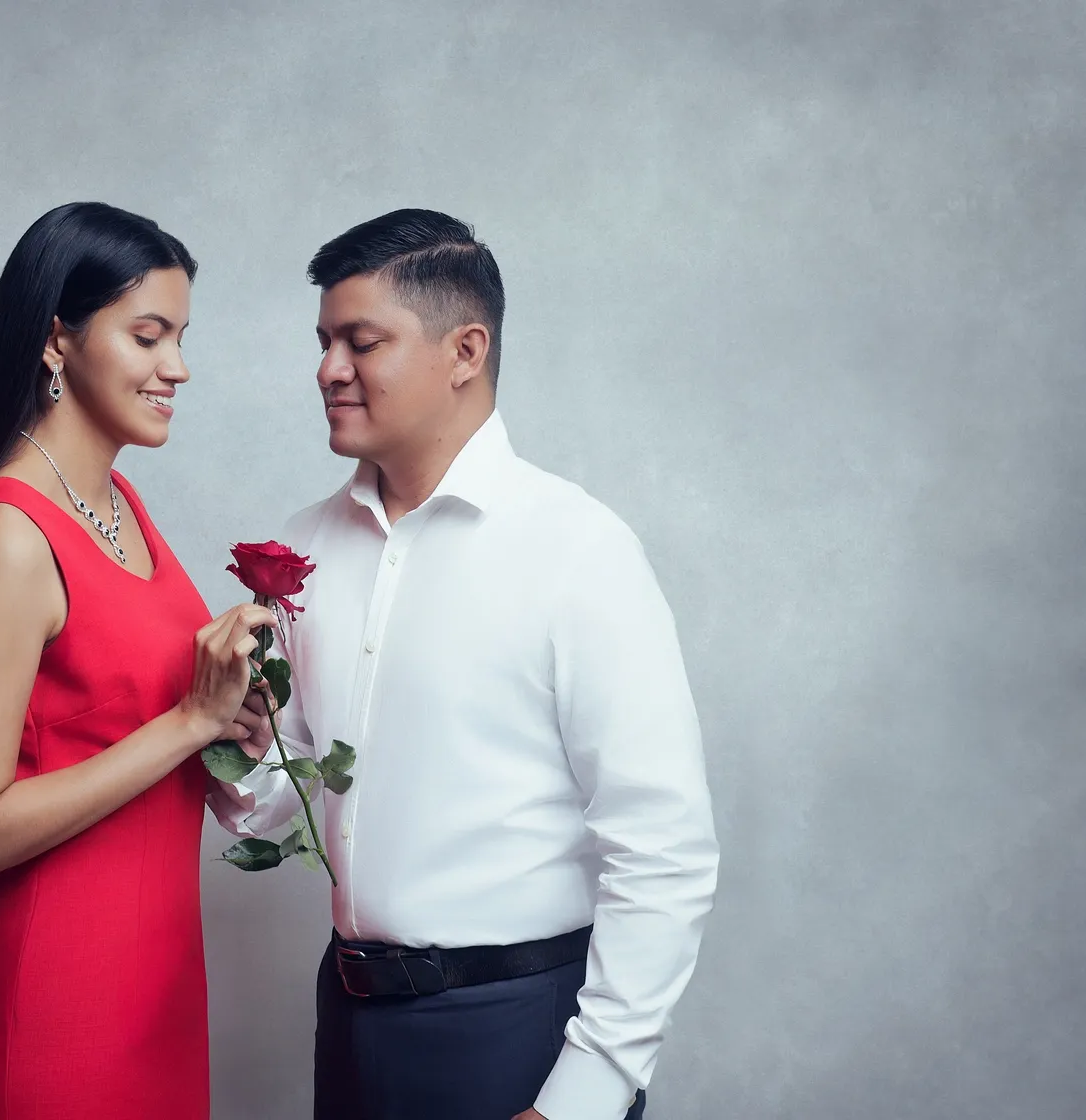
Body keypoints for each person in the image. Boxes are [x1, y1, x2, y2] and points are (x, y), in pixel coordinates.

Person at [210, 209, 719, 1120]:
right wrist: (224, 732)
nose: (328, 370)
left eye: (360, 342)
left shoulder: (578, 549)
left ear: (465, 350)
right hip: (351, 1017)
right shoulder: (303, 548)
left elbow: (664, 849)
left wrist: (586, 1094)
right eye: (324, 342)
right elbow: (266, 802)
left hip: (519, 1031)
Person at [0, 201, 276, 1120]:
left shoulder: (117, 502)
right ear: (58, 342)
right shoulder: (11, 534)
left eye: (182, 337)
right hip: (53, 1001)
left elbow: (135, 736)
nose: (179, 368)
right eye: (148, 335)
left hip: (155, 990)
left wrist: (233, 719)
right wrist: (188, 722)